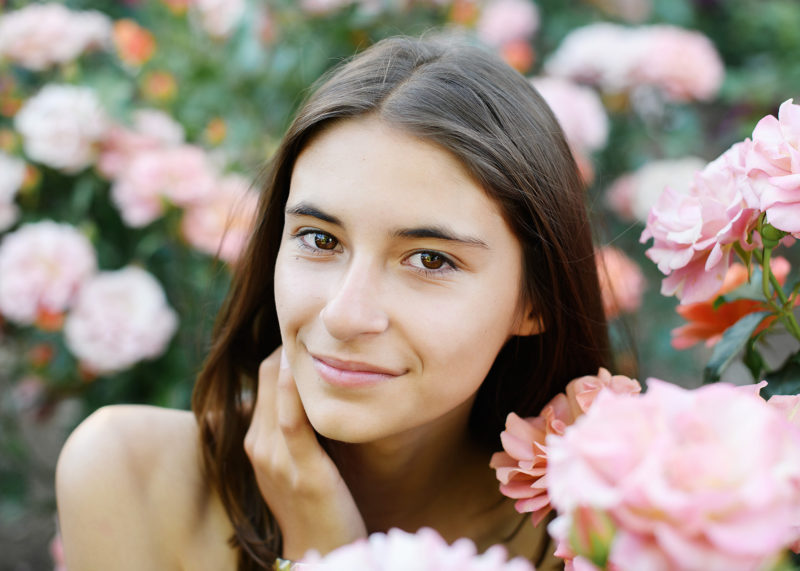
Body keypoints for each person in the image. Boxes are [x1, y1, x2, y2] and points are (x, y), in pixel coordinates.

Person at [55, 35, 610, 570]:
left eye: (431, 260)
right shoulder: (130, 476)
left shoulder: (601, 526)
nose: (344, 315)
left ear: (534, 302)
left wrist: (326, 554)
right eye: (320, 240)